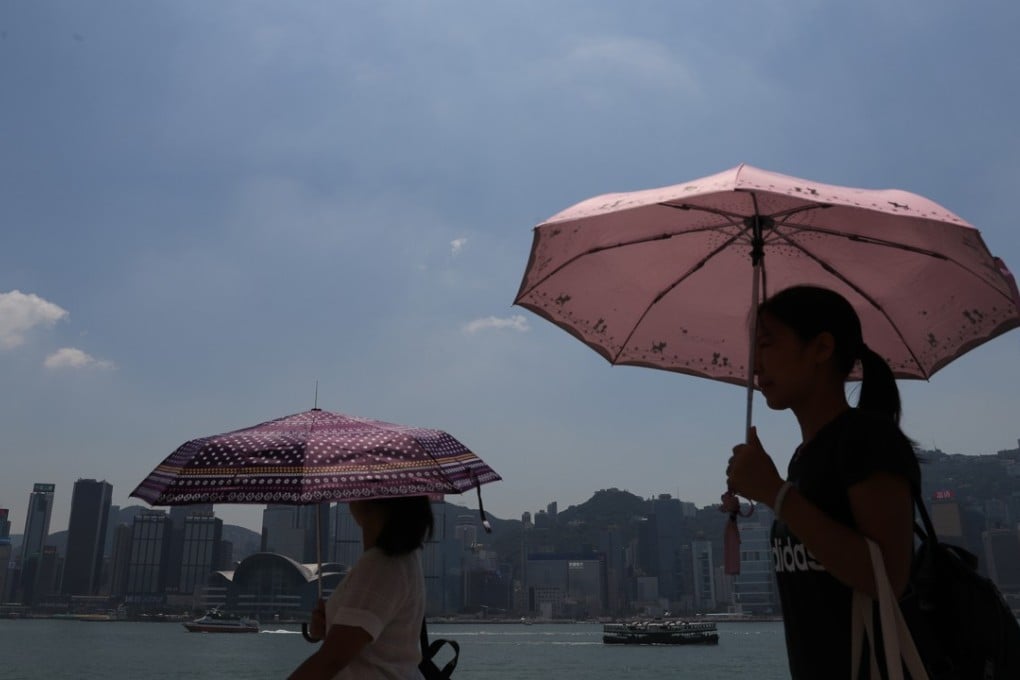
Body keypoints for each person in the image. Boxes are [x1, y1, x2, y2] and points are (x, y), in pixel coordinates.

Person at [726, 285, 923, 679]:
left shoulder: (868, 440)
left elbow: (886, 577)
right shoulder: (803, 458)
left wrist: (775, 493)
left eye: (766, 344)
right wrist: (770, 492)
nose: (755, 365)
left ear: (821, 348)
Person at [288, 496, 434, 680]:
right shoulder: (404, 558)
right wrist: (330, 628)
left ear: (369, 500)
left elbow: (331, 661)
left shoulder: (380, 565)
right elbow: (377, 645)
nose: (349, 497)